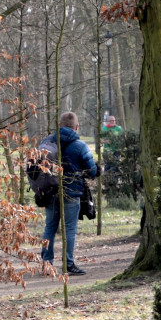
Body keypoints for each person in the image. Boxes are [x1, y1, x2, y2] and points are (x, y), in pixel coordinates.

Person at [41, 111, 101, 275]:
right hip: (72, 192)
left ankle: (47, 264)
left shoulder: (47, 142)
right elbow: (91, 172)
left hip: (50, 191)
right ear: (76, 127)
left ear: (59, 125)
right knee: (69, 230)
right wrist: (98, 169)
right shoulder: (80, 146)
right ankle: (68, 264)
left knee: (50, 228)